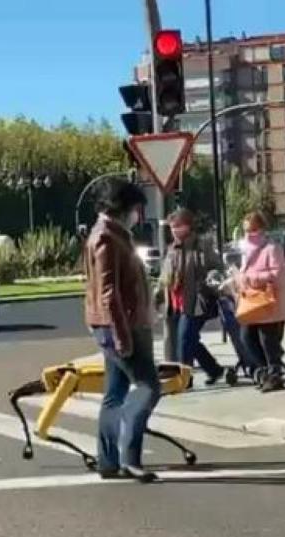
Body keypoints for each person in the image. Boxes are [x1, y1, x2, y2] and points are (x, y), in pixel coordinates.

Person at [82, 177, 158, 483]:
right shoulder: (107, 238)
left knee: (114, 392)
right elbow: (109, 292)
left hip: (113, 323)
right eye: (137, 208)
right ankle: (129, 457)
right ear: (123, 206)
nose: (139, 215)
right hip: (121, 324)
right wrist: (123, 335)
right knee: (147, 386)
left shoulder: (111, 234)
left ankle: (108, 461)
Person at [158, 208, 234, 386]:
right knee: (190, 340)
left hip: (196, 301)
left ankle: (185, 378)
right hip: (176, 301)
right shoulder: (171, 249)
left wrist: (208, 279)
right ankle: (214, 369)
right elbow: (164, 276)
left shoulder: (201, 245)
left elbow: (216, 268)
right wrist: (158, 296)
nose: (174, 231)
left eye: (178, 227)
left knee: (185, 338)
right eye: (172, 227)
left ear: (188, 226)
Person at [237, 211, 285, 393]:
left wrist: (253, 278)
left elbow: (278, 276)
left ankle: (274, 374)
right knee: (246, 337)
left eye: (252, 230)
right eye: (246, 230)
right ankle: (264, 371)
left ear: (261, 229)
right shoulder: (246, 251)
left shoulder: (272, 248)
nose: (249, 234)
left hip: (269, 303)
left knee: (268, 341)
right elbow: (245, 273)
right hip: (252, 302)